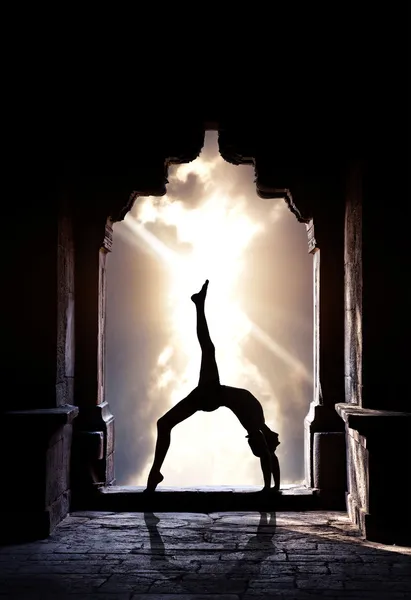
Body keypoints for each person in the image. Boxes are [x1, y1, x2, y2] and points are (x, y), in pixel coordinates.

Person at [145, 279, 281, 493]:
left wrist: (270, 488)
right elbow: (267, 453)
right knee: (207, 349)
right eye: (255, 444)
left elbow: (267, 454)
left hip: (209, 395)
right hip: (212, 394)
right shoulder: (254, 417)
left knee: (165, 422)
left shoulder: (255, 422)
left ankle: (155, 473)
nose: (252, 444)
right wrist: (270, 488)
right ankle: (155, 473)